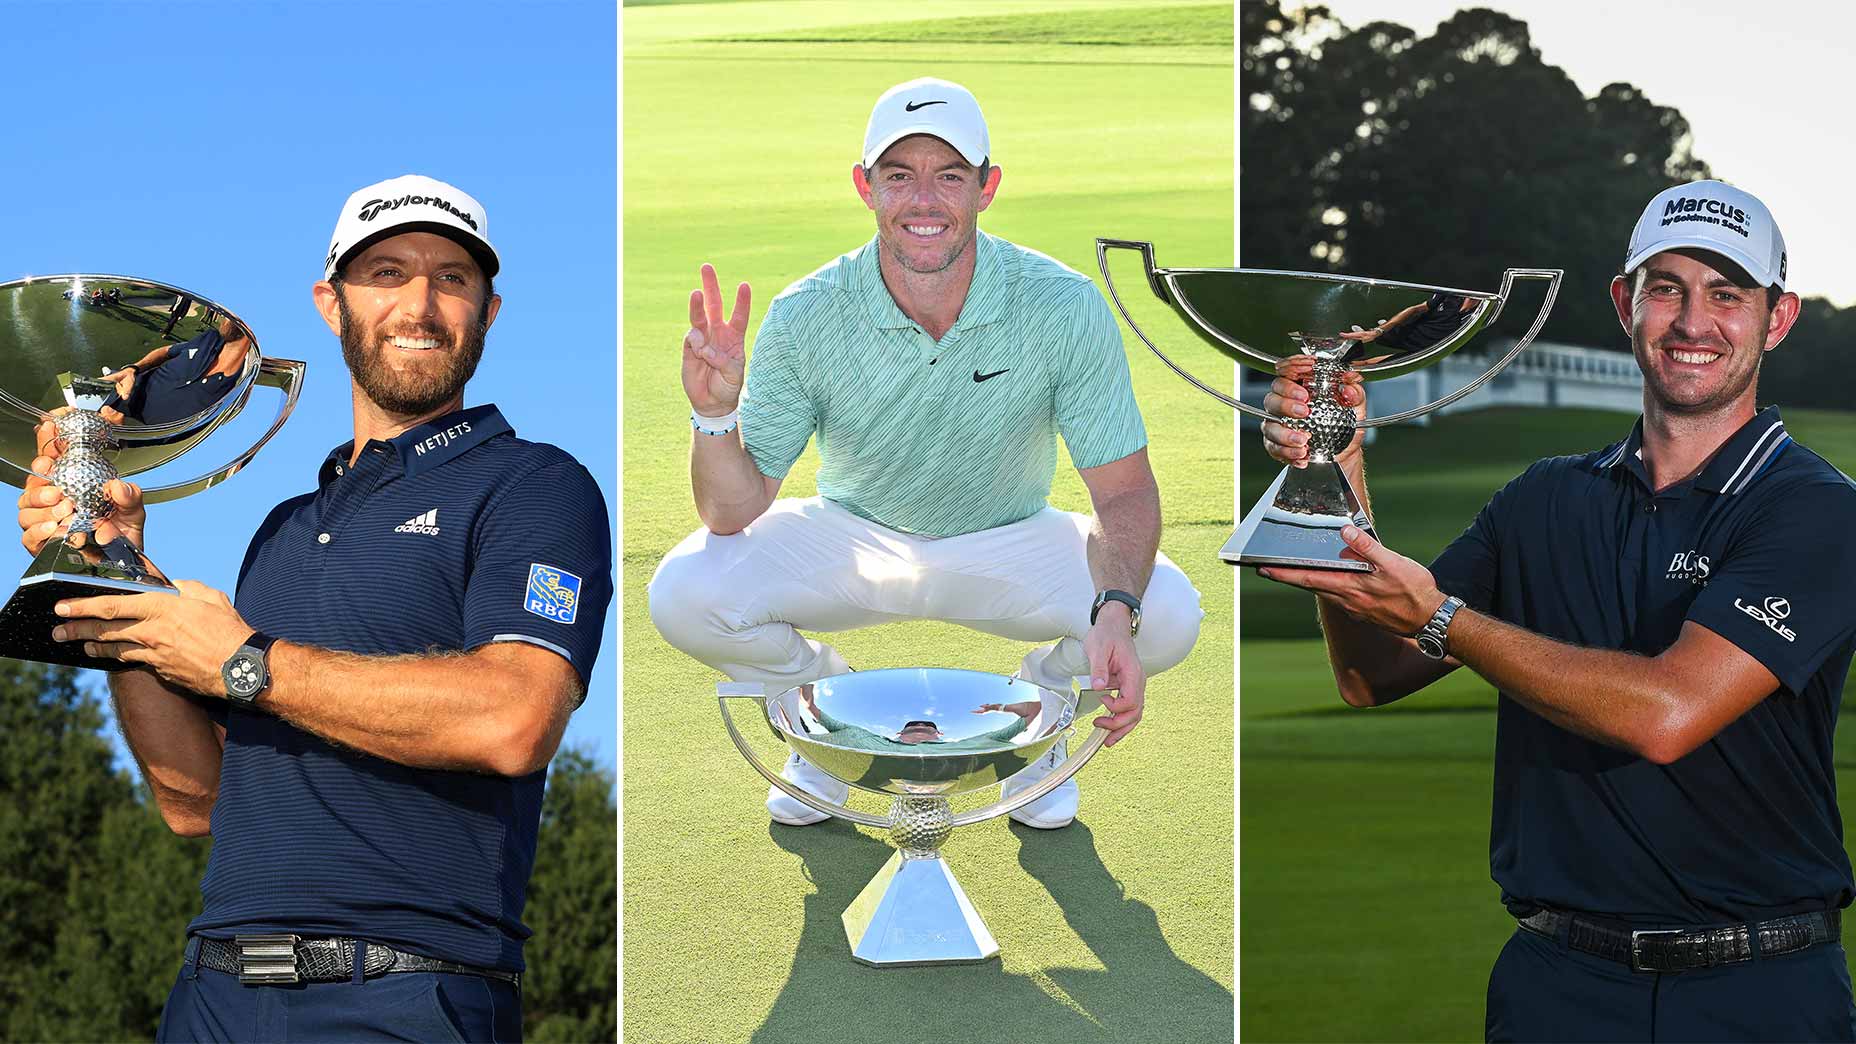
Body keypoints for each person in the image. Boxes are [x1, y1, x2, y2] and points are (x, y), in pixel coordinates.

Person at [15, 174, 612, 1041]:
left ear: (488, 311)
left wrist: (241, 661)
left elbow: (514, 718)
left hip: (405, 994)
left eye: (452, 278)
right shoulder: (282, 531)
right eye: (387, 273)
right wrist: (119, 573)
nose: (420, 304)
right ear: (332, 305)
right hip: (211, 993)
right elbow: (195, 802)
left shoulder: (535, 485)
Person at [1257, 179, 1856, 1041]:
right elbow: (1371, 673)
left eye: (1728, 294)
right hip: (1555, 986)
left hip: (1758, 990)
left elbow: (1669, 714)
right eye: (1666, 289)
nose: (1693, 323)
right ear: (1624, 304)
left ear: (1778, 319)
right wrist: (1338, 470)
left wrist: (1445, 618)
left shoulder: (1815, 509)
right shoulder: (1542, 498)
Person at [648, 77, 1203, 830]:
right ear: (865, 187)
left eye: (949, 176)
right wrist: (714, 414)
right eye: (899, 175)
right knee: (682, 591)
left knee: (1164, 613)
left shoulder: (1063, 304)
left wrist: (1113, 611)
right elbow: (730, 510)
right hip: (852, 537)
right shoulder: (806, 312)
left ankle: (1041, 706)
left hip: (1011, 537)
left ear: (987, 187)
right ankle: (822, 709)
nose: (923, 201)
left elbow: (1123, 494)